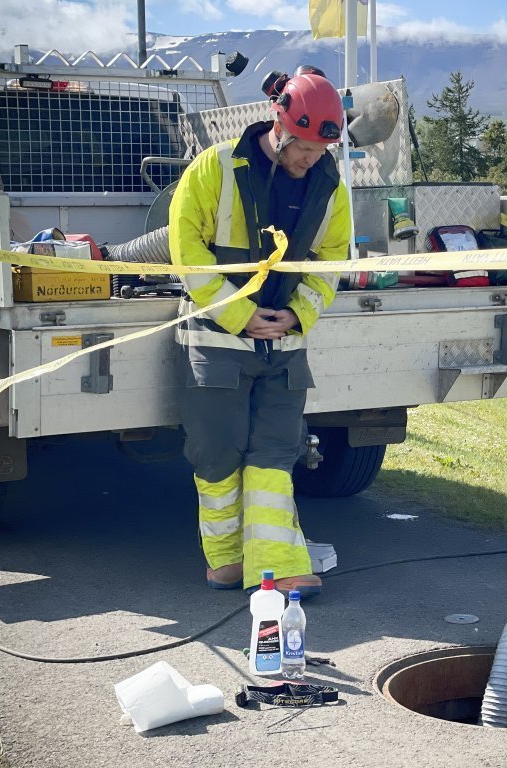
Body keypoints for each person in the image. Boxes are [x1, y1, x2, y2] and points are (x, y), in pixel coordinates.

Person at [168, 68, 351, 596]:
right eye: (304, 148)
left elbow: (331, 258)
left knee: (276, 452)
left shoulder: (329, 185)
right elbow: (187, 251)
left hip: (285, 343)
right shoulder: (214, 169)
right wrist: (238, 313)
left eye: (319, 150)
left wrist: (297, 315)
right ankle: (225, 560)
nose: (310, 159)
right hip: (218, 339)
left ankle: (275, 568)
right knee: (217, 449)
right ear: (279, 122)